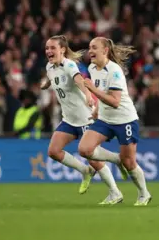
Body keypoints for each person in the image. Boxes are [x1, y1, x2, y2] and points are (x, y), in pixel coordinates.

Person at [42, 35, 123, 201]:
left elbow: (79, 80)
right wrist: (46, 84)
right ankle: (85, 171)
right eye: (47, 48)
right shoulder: (49, 67)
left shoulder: (69, 65)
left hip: (86, 118)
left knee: (92, 157)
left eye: (53, 48)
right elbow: (53, 78)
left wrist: (87, 94)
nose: (49, 51)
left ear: (62, 49)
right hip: (69, 120)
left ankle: (115, 191)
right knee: (53, 151)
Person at [78, 37, 152, 206]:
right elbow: (103, 94)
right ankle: (116, 161)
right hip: (105, 119)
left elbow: (115, 101)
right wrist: (97, 110)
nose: (90, 51)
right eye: (89, 47)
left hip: (124, 120)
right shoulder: (92, 67)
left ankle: (144, 194)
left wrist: (92, 89)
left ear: (105, 51)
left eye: (94, 47)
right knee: (84, 149)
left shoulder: (115, 71)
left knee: (130, 162)